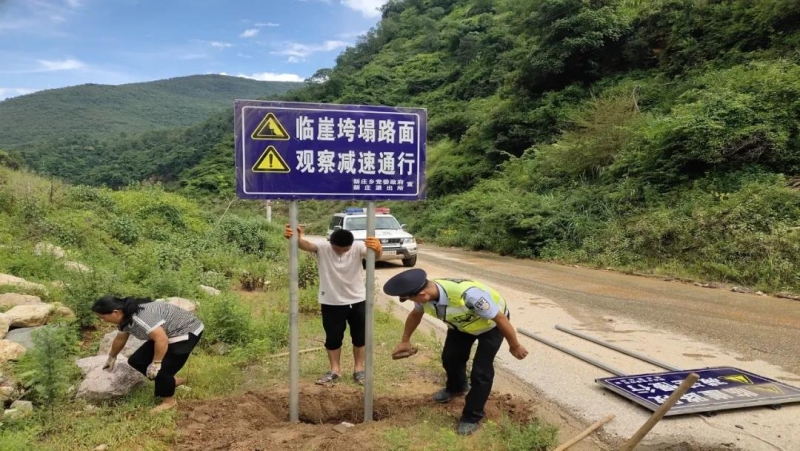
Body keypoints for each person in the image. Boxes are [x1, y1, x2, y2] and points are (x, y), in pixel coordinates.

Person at [383, 268, 529, 436]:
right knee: (450, 358)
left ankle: (471, 416)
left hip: (491, 327)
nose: (411, 301)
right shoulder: (424, 296)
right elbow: (416, 315)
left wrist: (515, 345)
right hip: (462, 327)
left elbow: (500, 318)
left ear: (422, 294)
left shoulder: (470, 295)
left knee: (481, 373)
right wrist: (405, 340)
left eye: (409, 298)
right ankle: (456, 387)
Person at [284, 224, 382, 385]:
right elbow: (306, 245)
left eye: (345, 249)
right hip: (331, 301)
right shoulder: (323, 247)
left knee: (360, 337)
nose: (342, 252)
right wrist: (297, 238)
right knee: (333, 338)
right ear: (331, 243)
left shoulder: (357, 247)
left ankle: (359, 370)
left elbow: (374, 257)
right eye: (338, 249)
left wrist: (378, 249)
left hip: (357, 299)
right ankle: (335, 370)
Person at [92, 295, 204, 413]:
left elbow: (162, 340)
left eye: (102, 317)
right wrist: (111, 357)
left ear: (115, 312)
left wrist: (156, 363)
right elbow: (120, 339)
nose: (101, 320)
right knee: (136, 361)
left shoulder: (141, 317)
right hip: (166, 333)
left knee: (162, 370)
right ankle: (171, 382)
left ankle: (169, 402)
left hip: (186, 331)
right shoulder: (125, 317)